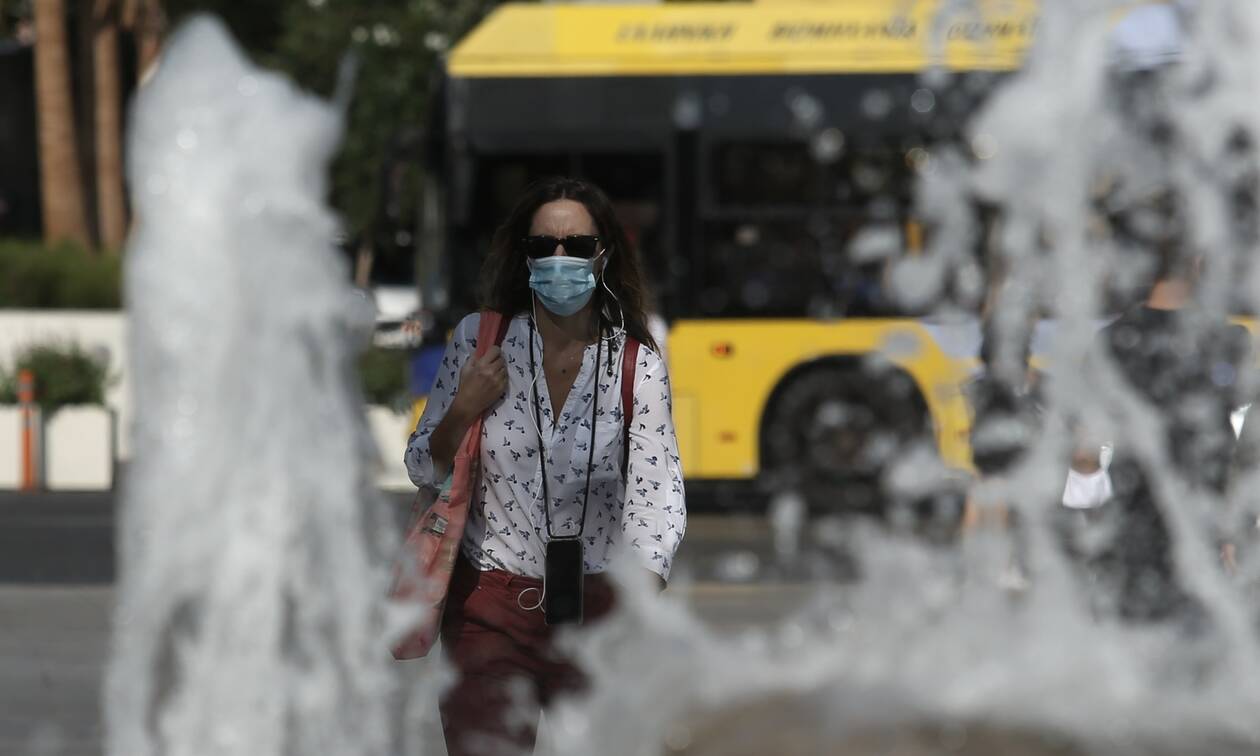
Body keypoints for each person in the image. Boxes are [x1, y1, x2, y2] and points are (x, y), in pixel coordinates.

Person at [403, 176, 686, 756]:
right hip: (488, 608)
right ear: (524, 256)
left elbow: (656, 494)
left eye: (577, 246)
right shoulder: (477, 342)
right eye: (544, 246)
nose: (561, 259)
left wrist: (642, 596)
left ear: (603, 253)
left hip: (599, 609)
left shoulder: (636, 364)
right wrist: (463, 409)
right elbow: (422, 467)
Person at [1071, 194, 1249, 622]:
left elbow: (1084, 455)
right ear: (1196, 260)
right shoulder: (1227, 341)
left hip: (1133, 527)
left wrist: (1087, 530)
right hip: (1207, 529)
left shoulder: (1110, 342)